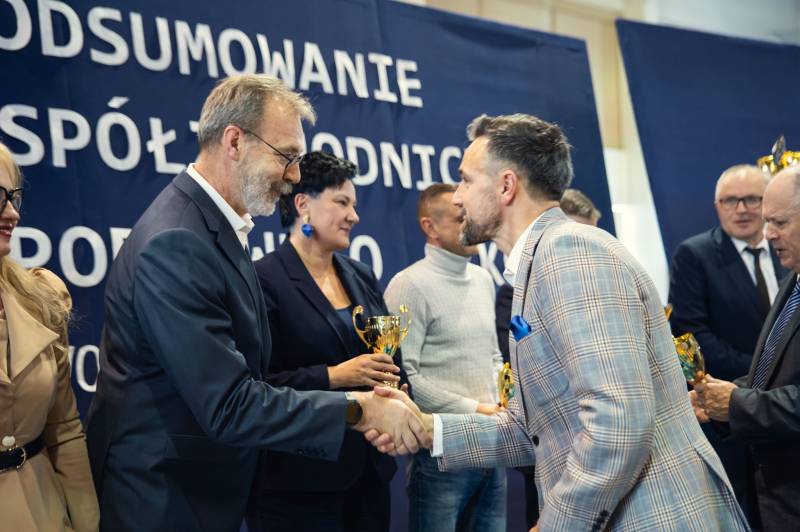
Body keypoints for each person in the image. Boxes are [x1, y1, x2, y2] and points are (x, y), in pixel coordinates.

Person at [369, 113, 748, 531]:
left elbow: (617, 423)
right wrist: (429, 429)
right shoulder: (538, 264)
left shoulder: (570, 253)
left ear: (507, 186)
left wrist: (555, 524)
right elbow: (531, 429)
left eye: (465, 180)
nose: (457, 197)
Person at [85, 75, 428, 532]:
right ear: (234, 141)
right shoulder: (177, 241)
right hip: (165, 501)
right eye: (286, 156)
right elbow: (228, 403)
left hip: (204, 493)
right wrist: (359, 409)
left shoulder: (215, 229)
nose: (294, 175)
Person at [247, 151, 407, 531]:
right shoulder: (262, 280)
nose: (354, 216)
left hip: (369, 478)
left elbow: (390, 356)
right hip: (298, 486)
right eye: (342, 202)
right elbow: (257, 386)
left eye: (354, 204)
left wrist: (397, 399)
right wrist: (335, 375)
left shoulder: (361, 275)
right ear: (303, 204)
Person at [384, 183, 506, 532]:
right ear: (430, 227)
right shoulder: (408, 285)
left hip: (493, 445)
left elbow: (492, 356)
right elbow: (406, 379)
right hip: (441, 453)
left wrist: (502, 400)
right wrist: (477, 408)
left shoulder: (483, 280)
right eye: (459, 217)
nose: (471, 222)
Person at [669, 165, 785, 513]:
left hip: (783, 414)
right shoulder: (695, 254)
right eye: (730, 200)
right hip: (729, 412)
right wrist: (764, 376)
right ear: (717, 206)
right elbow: (693, 335)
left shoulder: (787, 251)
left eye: (752, 199)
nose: (741, 209)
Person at [692, 165, 800, 531]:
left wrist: (737, 404)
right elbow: (775, 371)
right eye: (768, 221)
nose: (768, 234)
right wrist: (724, 398)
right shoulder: (794, 279)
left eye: (780, 222)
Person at [0, 141, 99, 531]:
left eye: (13, 197)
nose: (12, 213)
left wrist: (88, 523)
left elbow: (64, 430)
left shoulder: (41, 298)